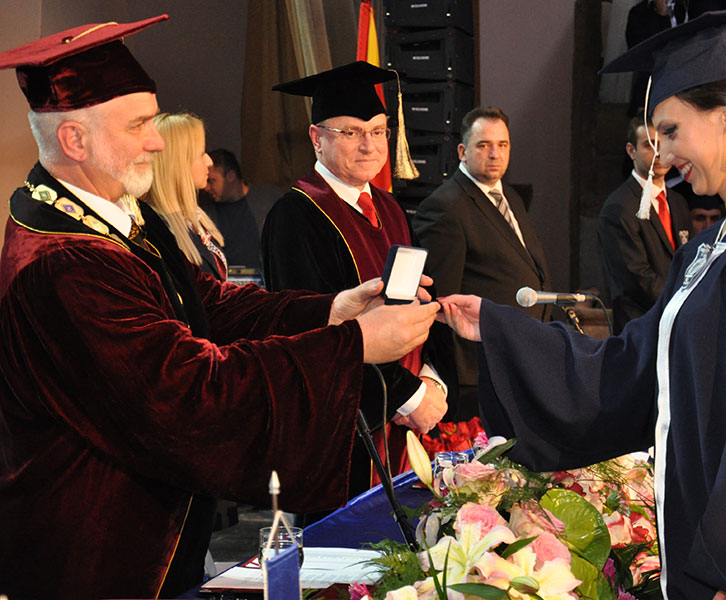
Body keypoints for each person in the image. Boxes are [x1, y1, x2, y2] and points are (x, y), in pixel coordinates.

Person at [0, 17, 440, 599]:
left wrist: (332, 310)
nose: (158, 142)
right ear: (75, 140)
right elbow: (186, 393)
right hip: (97, 550)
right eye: (138, 125)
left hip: (157, 525)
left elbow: (206, 303)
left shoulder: (116, 213)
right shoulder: (63, 261)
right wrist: (353, 345)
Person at [437, 9, 726, 600]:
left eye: (671, 130)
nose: (662, 153)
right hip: (695, 542)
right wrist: (501, 329)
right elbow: (633, 369)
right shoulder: (706, 248)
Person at [262, 61, 449, 503]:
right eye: (350, 132)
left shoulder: (391, 207)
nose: (369, 144)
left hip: (405, 425)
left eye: (378, 131)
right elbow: (312, 337)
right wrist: (409, 397)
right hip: (344, 433)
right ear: (317, 137)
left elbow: (424, 298)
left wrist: (432, 378)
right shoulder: (297, 215)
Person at [412, 106, 551, 420]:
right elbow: (439, 299)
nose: (495, 154)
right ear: (462, 151)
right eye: (484, 145)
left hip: (519, 355)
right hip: (476, 370)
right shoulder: (445, 206)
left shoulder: (511, 197)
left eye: (502, 145)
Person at [598, 113, 691, 334]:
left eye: (663, 143)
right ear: (631, 151)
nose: (658, 152)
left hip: (677, 325)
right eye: (649, 145)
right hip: (641, 328)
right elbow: (637, 279)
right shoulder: (619, 207)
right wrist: (685, 304)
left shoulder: (678, 202)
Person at [146, 112, 227, 280]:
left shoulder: (193, 218)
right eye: (201, 153)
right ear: (178, 163)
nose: (209, 162)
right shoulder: (158, 232)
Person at [204, 147, 282, 252]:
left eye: (211, 181)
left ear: (231, 176)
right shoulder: (208, 215)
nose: (206, 187)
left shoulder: (270, 198)